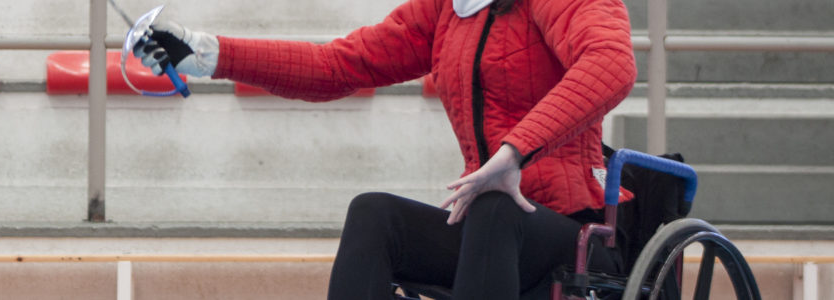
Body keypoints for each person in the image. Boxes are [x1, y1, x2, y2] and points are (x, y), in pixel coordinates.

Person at [134, 0, 635, 298]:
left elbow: (612, 63)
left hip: (571, 230)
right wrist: (204, 51)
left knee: (494, 208)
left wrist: (514, 153)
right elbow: (338, 66)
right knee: (374, 214)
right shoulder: (447, 8)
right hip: (487, 230)